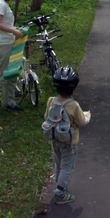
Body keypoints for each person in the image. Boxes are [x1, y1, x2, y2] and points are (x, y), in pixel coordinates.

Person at [45, 66, 91, 205]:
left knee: (59, 164)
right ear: (74, 87)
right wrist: (87, 115)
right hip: (69, 143)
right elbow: (81, 122)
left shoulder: (51, 101)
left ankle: (60, 184)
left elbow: (47, 117)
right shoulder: (73, 105)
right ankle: (60, 193)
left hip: (55, 140)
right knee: (67, 167)